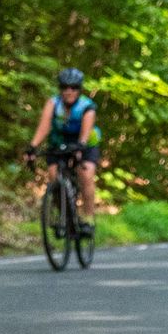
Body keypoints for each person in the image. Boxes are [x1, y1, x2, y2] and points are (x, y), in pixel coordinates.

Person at [26, 67, 100, 232]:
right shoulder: (53, 103)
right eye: (64, 87)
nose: (68, 91)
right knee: (54, 176)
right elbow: (44, 127)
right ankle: (65, 218)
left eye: (73, 87)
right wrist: (33, 147)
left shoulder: (87, 106)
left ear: (79, 89)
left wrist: (80, 147)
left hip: (85, 142)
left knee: (86, 174)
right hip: (59, 142)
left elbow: (86, 132)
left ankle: (88, 218)